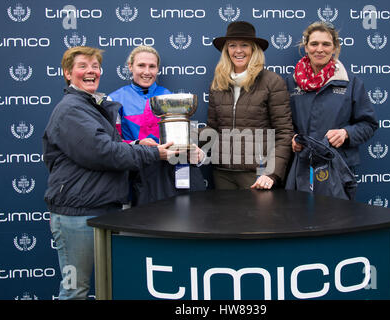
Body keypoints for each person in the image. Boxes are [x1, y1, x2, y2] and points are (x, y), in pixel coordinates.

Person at [43, 46, 177, 299]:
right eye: (82, 66)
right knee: (75, 290)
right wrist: (152, 154)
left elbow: (110, 146)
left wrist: (137, 145)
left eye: (95, 66)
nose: (90, 71)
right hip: (77, 216)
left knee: (108, 286)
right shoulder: (72, 109)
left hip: (102, 209)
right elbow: (104, 153)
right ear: (67, 74)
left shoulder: (92, 106)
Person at [285, 21, 378, 197]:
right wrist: (292, 137)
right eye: (314, 44)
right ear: (306, 47)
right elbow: (282, 123)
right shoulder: (291, 82)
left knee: (337, 221)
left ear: (334, 47)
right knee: (298, 220)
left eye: (326, 44)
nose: (319, 49)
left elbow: (369, 124)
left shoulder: (351, 83)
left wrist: (346, 133)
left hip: (337, 167)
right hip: (302, 166)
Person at [109, 46, 205, 205]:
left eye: (152, 66)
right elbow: (112, 144)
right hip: (136, 175)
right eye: (141, 65)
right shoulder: (115, 99)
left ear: (157, 69)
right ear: (130, 66)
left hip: (168, 175)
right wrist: (138, 145)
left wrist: (195, 154)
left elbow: (181, 141)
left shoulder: (168, 95)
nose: (147, 71)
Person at [205, 21, 293, 190]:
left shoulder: (272, 82)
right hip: (222, 173)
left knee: (258, 217)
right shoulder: (218, 84)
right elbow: (214, 128)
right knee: (225, 218)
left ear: (254, 49)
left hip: (257, 175)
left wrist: (272, 172)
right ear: (226, 50)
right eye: (232, 45)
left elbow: (284, 133)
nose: (238, 50)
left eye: (244, 45)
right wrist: (186, 137)